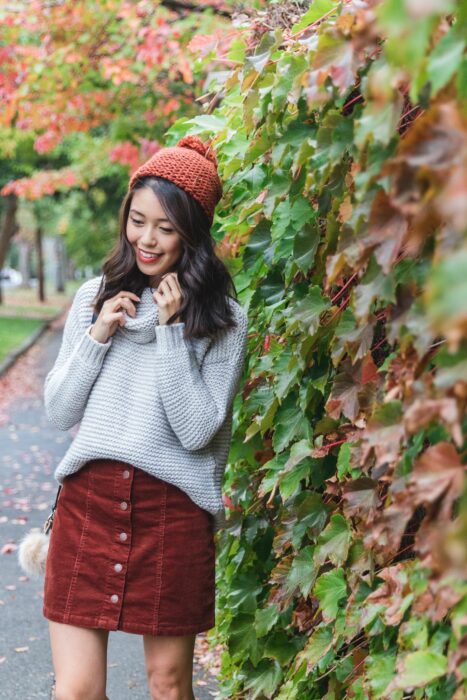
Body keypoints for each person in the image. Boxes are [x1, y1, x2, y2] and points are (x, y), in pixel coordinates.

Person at [41, 135, 249, 700]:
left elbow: (196, 428)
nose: (147, 239)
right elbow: (59, 410)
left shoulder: (224, 319)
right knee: (77, 690)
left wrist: (170, 333)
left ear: (193, 233)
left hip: (172, 511)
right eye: (137, 220)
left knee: (167, 684)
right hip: (90, 501)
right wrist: (97, 334)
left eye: (165, 227)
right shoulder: (95, 296)